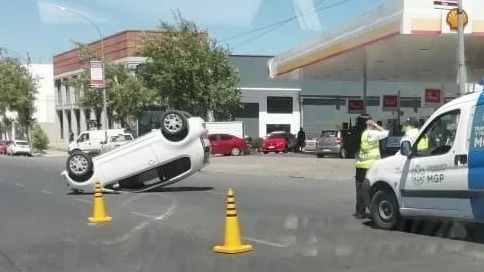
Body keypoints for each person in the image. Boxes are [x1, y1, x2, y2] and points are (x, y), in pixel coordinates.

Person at [354, 116, 389, 219]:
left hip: (361, 165)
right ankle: (375, 210)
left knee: (359, 189)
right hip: (372, 166)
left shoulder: (364, 134)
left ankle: (360, 212)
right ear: (370, 123)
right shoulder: (373, 134)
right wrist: (376, 126)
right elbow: (386, 133)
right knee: (371, 188)